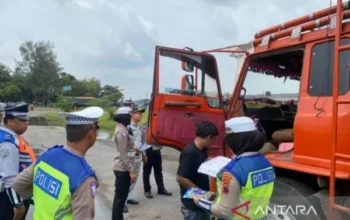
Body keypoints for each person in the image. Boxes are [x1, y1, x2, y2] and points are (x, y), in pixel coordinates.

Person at [12, 106, 104, 220]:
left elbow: (18, 184)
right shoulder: (83, 177)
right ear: (91, 132)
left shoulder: (48, 155)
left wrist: (43, 198)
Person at [193, 116, 275, 219]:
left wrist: (200, 201)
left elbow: (225, 212)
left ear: (234, 141)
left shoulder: (233, 171)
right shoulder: (266, 163)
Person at [176, 120, 219, 220]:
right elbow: (181, 177)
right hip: (193, 203)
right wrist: (201, 193)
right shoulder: (190, 152)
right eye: (213, 140)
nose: (213, 143)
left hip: (201, 201)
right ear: (208, 137)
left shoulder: (202, 150)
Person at [0, 103, 32, 220]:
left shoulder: (13, 137)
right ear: (10, 121)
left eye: (27, 119)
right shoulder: (8, 143)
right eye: (22, 120)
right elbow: (9, 177)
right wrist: (17, 204)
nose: (26, 123)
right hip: (9, 198)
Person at [112, 107, 138, 220]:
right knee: (120, 198)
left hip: (123, 167)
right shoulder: (122, 132)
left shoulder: (123, 128)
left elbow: (127, 150)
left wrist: (135, 150)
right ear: (123, 117)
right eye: (129, 115)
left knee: (121, 197)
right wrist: (131, 171)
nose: (130, 117)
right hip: (122, 168)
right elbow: (123, 154)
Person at [123, 107, 147, 212]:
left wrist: (144, 154)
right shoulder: (127, 127)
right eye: (138, 113)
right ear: (132, 114)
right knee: (127, 179)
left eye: (141, 113)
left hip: (138, 156)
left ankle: (129, 197)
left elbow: (142, 142)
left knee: (135, 179)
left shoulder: (139, 127)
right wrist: (133, 150)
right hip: (130, 157)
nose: (140, 115)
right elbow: (124, 145)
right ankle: (122, 202)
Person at [141, 122, 172, 199]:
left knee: (158, 171)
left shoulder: (159, 124)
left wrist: (161, 145)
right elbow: (141, 141)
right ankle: (147, 190)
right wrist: (144, 154)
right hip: (148, 149)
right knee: (147, 172)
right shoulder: (145, 126)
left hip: (157, 149)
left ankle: (161, 189)